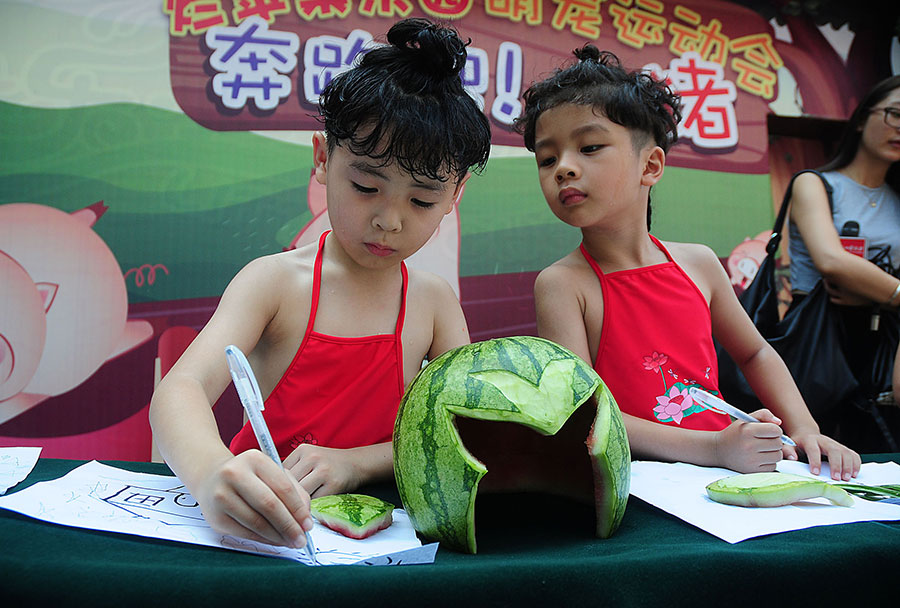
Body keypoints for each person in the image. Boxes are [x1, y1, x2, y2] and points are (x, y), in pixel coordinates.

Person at [149, 18, 491, 548]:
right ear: (323, 158)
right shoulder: (274, 282)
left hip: (386, 541)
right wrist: (212, 471)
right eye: (365, 186)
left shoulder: (434, 302)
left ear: (456, 195)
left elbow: (464, 433)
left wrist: (357, 464)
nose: (390, 220)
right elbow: (181, 389)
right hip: (264, 526)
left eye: (422, 201)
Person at [515, 46, 860, 480]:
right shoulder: (562, 284)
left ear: (651, 164)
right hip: (638, 486)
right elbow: (588, 415)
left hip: (728, 471)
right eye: (547, 159)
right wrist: (714, 446)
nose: (563, 168)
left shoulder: (697, 262)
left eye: (589, 147)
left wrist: (804, 429)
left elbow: (754, 352)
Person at [787, 75, 900, 452]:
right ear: (861, 118)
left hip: (884, 342)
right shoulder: (814, 184)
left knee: (879, 457)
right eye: (895, 114)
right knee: (818, 451)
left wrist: (879, 295)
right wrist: (895, 291)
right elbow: (832, 260)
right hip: (819, 338)